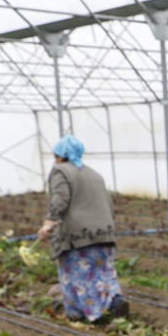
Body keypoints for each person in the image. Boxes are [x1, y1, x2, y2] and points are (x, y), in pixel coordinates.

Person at [37, 134, 129, 322]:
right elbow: (109, 205)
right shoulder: (95, 174)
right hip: (104, 233)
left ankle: (81, 314)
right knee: (104, 273)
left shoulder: (61, 171)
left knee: (76, 277)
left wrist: (48, 224)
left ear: (60, 156)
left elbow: (60, 200)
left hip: (79, 237)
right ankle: (114, 302)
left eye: (55, 156)